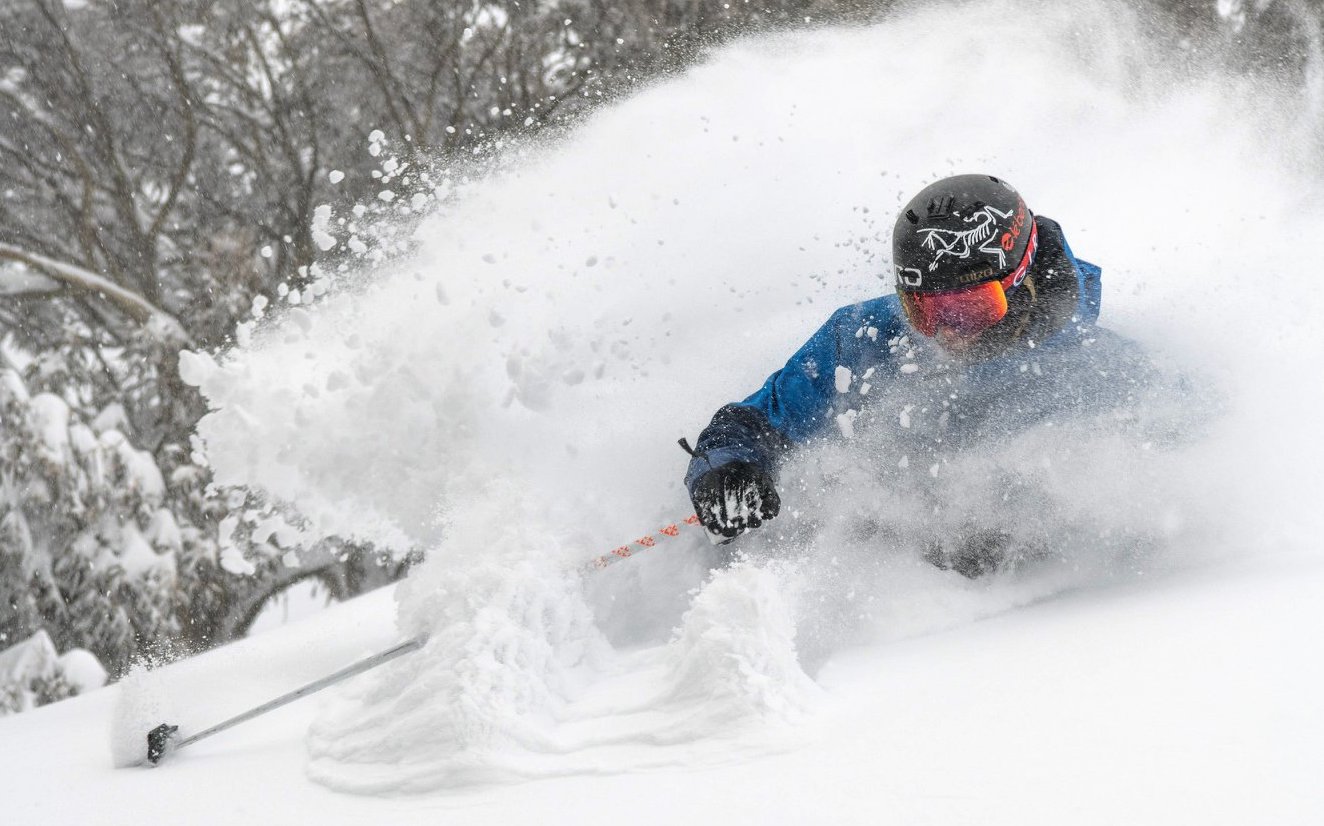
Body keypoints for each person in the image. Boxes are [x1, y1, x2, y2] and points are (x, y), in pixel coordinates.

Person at [683, 174, 1160, 576]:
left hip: (1024, 603)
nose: (945, 334)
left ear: (1022, 281)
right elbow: (756, 422)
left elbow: (1190, 455)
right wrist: (727, 468)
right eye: (923, 310)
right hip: (880, 580)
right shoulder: (866, 338)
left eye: (970, 308)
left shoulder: (1099, 370)